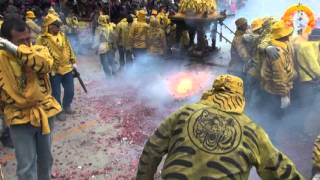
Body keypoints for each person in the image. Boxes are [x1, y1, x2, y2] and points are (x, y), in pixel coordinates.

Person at [136, 74, 304, 179]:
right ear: (239, 97)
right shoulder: (253, 130)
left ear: (213, 92)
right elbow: (280, 170)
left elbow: (152, 148)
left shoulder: (185, 112)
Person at [0, 14, 61, 180]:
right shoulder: (1, 59)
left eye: (28, 39)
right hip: (19, 119)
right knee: (26, 166)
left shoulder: (38, 50)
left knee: (46, 160)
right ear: (6, 41)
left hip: (44, 113)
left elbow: (47, 65)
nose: (27, 44)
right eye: (21, 41)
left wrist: (18, 50)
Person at [36, 13, 76, 121]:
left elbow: (69, 47)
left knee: (70, 90)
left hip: (67, 68)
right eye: (56, 26)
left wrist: (73, 60)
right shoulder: (42, 39)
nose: (59, 27)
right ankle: (59, 111)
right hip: (53, 71)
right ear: (50, 26)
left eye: (59, 25)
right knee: (56, 93)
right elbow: (39, 54)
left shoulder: (63, 35)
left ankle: (67, 105)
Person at [260, 20, 295, 117]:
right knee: (276, 115)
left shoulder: (284, 44)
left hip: (282, 87)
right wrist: (283, 95)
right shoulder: (277, 53)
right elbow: (279, 75)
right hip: (276, 91)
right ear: (285, 35)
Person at [294, 29, 320, 108]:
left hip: (312, 80)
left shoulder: (312, 45)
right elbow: (313, 66)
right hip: (307, 80)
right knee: (307, 106)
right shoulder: (307, 47)